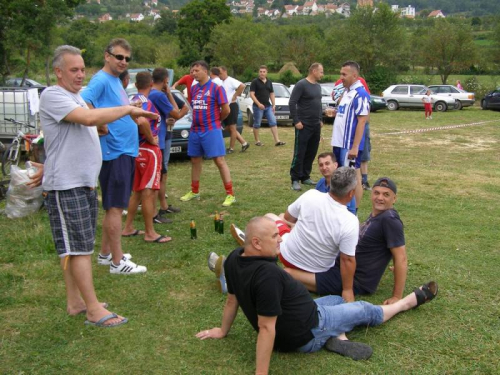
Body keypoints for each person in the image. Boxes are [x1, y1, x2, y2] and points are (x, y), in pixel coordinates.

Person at [197, 217, 438, 373]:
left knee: (337, 300)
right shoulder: (267, 275)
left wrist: (222, 330)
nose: (280, 238)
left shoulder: (235, 257)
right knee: (363, 308)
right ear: (257, 243)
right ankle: (407, 303)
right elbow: (267, 327)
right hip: (306, 332)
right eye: (274, 236)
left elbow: (232, 299)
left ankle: (338, 334)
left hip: (305, 313)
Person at [39, 45, 158, 326]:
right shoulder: (53, 95)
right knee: (80, 248)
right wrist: (128, 109)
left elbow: (71, 135)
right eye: (74, 70)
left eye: (82, 69)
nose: (81, 75)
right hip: (66, 185)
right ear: (58, 72)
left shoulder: (75, 97)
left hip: (80, 182)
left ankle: (76, 302)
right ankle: (93, 309)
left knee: (73, 246)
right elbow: (89, 118)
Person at [81, 38, 148, 274]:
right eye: (119, 57)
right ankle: (117, 263)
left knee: (115, 205)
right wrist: (99, 125)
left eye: (127, 59)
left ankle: (105, 254)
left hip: (124, 149)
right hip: (114, 150)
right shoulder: (100, 79)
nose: (123, 62)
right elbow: (83, 101)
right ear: (107, 56)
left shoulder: (114, 80)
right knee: (115, 207)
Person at [121, 72, 171, 244]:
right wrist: (151, 139)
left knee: (138, 191)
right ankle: (150, 232)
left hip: (137, 149)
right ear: (151, 84)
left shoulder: (132, 99)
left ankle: (128, 227)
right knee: (149, 192)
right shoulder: (145, 102)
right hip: (148, 150)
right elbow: (142, 122)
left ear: (135, 84)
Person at [179, 60, 236, 207]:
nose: (193, 73)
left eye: (196, 70)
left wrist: (217, 120)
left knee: (219, 161)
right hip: (195, 130)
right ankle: (195, 191)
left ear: (205, 71)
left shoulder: (216, 88)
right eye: (192, 71)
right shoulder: (195, 89)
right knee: (195, 160)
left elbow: (226, 110)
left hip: (211, 129)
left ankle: (230, 194)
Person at [148, 67, 188, 223]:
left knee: (162, 172)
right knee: (160, 174)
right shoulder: (158, 95)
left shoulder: (153, 94)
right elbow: (177, 112)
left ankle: (162, 206)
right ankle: (155, 211)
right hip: (160, 139)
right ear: (165, 80)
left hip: (163, 135)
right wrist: (170, 94)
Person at [330, 61, 370, 213]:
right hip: (339, 142)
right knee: (341, 176)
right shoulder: (347, 92)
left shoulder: (360, 94)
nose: (341, 78)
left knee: (353, 178)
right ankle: (341, 207)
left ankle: (353, 211)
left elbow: (362, 121)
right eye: (340, 74)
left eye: (344, 75)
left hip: (349, 144)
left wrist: (354, 146)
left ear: (354, 75)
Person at [289, 63, 324, 191]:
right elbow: (292, 102)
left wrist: (320, 119)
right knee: (300, 152)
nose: (322, 74)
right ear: (314, 71)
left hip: (315, 125)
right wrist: (296, 120)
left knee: (311, 151)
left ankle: (305, 176)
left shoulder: (318, 86)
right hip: (303, 125)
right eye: (321, 72)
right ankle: (295, 178)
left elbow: (319, 104)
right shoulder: (301, 84)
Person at [249, 65, 285, 147]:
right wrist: (258, 104)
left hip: (268, 106)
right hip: (257, 107)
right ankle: (257, 141)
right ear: (259, 72)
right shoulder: (255, 82)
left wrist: (273, 105)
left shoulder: (269, 82)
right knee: (257, 124)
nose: (262, 73)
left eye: (264, 72)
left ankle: (277, 141)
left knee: (273, 122)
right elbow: (252, 94)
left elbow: (271, 94)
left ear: (266, 72)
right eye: (260, 72)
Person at [219, 66, 249, 154]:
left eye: (220, 73)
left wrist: (235, 95)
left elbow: (242, 85)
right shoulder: (221, 82)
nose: (219, 75)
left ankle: (231, 148)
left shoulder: (230, 80)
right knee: (228, 128)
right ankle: (244, 143)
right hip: (225, 107)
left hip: (232, 106)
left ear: (225, 71)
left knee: (232, 128)